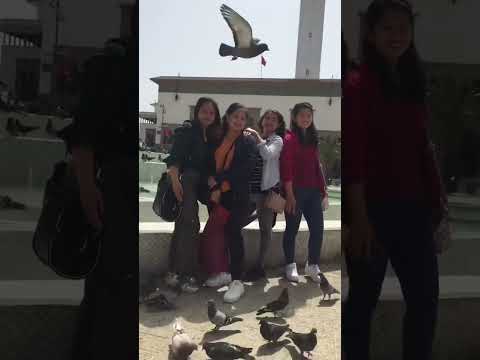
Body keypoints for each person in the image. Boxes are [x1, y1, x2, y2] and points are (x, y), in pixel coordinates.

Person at [342, 1, 444, 359]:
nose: (396, 35)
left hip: (413, 211)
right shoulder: (357, 86)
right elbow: (354, 157)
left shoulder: (412, 83)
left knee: (425, 301)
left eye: (403, 28)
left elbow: (424, 152)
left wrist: (439, 213)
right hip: (373, 212)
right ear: (371, 34)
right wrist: (359, 221)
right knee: (361, 306)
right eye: (387, 28)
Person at [69, 5, 138, 359]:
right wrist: (87, 188)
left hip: (120, 186)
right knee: (109, 284)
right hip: (113, 187)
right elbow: (82, 138)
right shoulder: (112, 66)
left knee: (116, 287)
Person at [163, 97, 222, 293]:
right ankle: (184, 274)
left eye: (211, 112)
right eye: (204, 111)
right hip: (185, 182)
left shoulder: (212, 136)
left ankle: (174, 272)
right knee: (188, 224)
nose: (208, 115)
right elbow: (174, 158)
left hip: (201, 184)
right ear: (197, 112)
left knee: (185, 223)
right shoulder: (188, 130)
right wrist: (174, 182)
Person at [206, 103, 257, 303]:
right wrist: (211, 182)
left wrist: (219, 182)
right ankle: (222, 273)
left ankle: (237, 281)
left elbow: (245, 170)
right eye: (235, 116)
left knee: (234, 232)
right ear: (227, 117)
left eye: (242, 118)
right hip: (219, 195)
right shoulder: (218, 138)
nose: (238, 121)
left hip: (239, 196)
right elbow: (209, 163)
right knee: (219, 232)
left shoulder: (248, 141)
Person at [280, 102, 329, 283]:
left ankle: (312, 264)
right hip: (296, 192)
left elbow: (317, 166)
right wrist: (290, 194)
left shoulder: (313, 138)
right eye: (302, 115)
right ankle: (290, 265)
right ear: (294, 117)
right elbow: (287, 167)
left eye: (309, 115)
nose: (306, 118)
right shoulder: (289, 138)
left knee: (318, 229)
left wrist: (323, 191)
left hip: (313, 192)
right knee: (291, 229)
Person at [243, 110, 286, 281]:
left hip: (267, 192)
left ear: (278, 124)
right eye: (267, 118)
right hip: (250, 191)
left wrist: (256, 136)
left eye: (274, 119)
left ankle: (259, 266)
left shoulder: (277, 140)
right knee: (237, 222)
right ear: (262, 121)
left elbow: (268, 154)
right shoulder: (254, 138)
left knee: (265, 230)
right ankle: (236, 263)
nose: (269, 121)